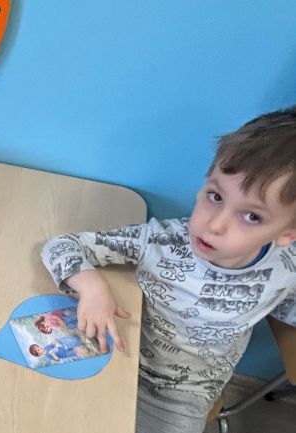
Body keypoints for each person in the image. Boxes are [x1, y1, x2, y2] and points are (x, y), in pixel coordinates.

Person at [41, 106, 296, 433]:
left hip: (182, 396)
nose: (214, 225)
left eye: (252, 216)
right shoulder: (162, 241)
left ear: (287, 234)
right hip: (118, 356)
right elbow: (61, 246)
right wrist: (92, 288)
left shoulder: (286, 268)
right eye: (216, 196)